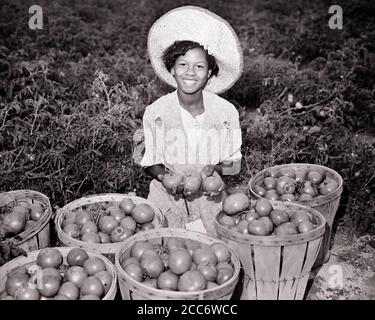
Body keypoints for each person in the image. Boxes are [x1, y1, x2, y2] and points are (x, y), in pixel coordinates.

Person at [137, 6, 243, 235]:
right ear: (172, 69)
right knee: (164, 257)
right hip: (167, 204)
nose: (190, 72)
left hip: (210, 204)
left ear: (210, 73)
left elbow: (234, 163)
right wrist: (165, 177)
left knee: (212, 261)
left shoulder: (226, 112)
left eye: (199, 66)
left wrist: (214, 170)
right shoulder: (156, 111)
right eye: (182, 65)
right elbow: (149, 160)